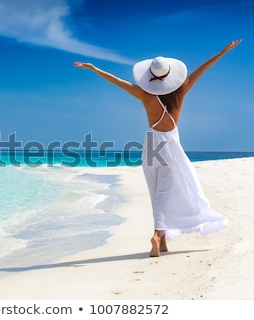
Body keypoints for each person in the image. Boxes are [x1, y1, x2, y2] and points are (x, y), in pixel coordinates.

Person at [74, 39, 242, 257]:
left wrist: (94, 69)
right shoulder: (180, 93)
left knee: (156, 194)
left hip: (151, 145)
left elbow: (117, 81)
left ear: (151, 77)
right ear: (171, 75)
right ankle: (156, 235)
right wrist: (223, 51)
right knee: (166, 192)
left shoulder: (145, 95)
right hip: (170, 146)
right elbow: (202, 68)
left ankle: (162, 241)